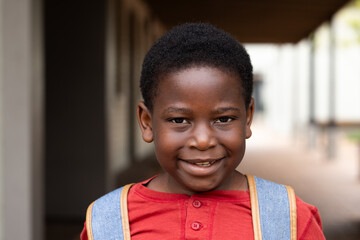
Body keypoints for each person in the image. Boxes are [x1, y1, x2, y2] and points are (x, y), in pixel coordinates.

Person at [81, 23, 325, 240]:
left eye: (224, 119)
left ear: (248, 117)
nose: (202, 141)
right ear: (147, 122)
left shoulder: (290, 219)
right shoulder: (106, 221)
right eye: (178, 120)